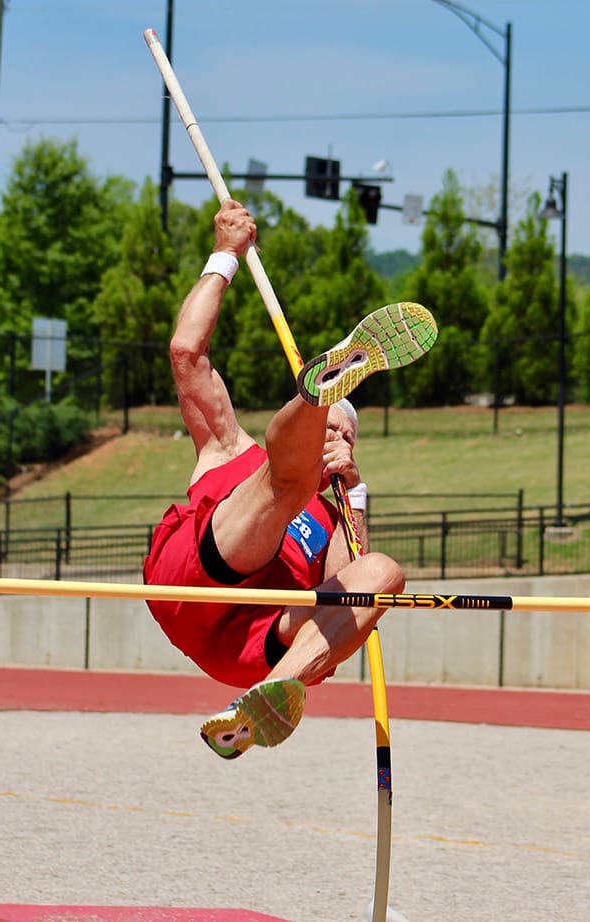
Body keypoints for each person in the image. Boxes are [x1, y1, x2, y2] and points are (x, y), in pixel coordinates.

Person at [143, 200, 437, 759]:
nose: (339, 441)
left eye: (347, 436)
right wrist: (225, 255)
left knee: (383, 574)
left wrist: (353, 496)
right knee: (285, 485)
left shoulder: (331, 516)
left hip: (254, 647)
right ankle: (315, 392)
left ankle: (266, 701)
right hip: (191, 586)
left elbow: (345, 591)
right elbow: (187, 352)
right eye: (331, 427)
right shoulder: (231, 449)